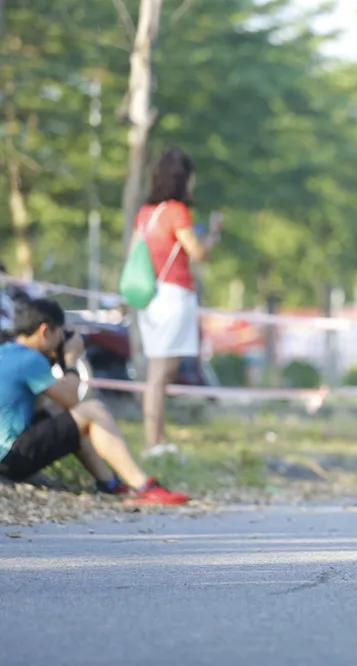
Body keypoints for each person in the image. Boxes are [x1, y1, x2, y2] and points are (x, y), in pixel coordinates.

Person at [0, 298, 189, 504]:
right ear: (46, 330)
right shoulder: (31, 359)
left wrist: (55, 360)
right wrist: (71, 360)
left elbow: (43, 410)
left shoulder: (8, 352)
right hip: (10, 458)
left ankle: (109, 484)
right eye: (60, 333)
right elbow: (71, 399)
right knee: (92, 410)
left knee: (67, 418)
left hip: (8, 456)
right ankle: (144, 485)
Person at [133, 148, 222, 457]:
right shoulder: (176, 211)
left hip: (149, 297)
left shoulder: (146, 213)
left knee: (160, 370)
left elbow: (137, 250)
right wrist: (213, 237)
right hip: (173, 294)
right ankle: (153, 443)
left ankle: (157, 439)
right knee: (161, 372)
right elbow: (197, 253)